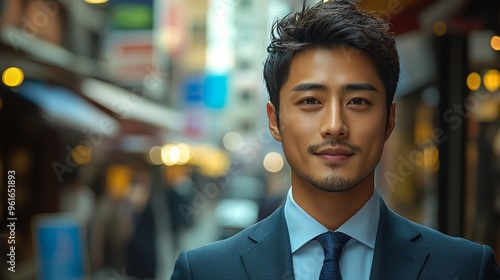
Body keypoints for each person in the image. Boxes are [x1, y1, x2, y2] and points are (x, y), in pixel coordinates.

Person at [171, 0, 500, 279]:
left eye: (358, 101)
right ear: (274, 121)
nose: (334, 126)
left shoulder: (466, 268)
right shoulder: (204, 271)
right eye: (311, 101)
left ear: (389, 120)